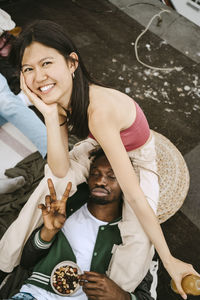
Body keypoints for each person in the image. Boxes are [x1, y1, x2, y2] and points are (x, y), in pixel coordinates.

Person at [6, 19, 199, 299]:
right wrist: (48, 115)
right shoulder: (59, 102)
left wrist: (169, 260)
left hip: (136, 155)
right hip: (99, 145)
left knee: (137, 235)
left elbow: (133, 195)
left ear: (72, 63)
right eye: (28, 69)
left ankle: (124, 288)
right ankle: (8, 259)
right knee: (49, 185)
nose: (39, 77)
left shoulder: (99, 111)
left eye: (47, 63)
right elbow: (59, 170)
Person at [11, 148, 156, 300]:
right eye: (95, 174)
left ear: (127, 185)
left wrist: (122, 296)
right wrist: (48, 232)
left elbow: (146, 295)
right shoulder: (65, 206)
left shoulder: (134, 236)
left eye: (112, 176)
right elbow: (26, 262)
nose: (100, 181)